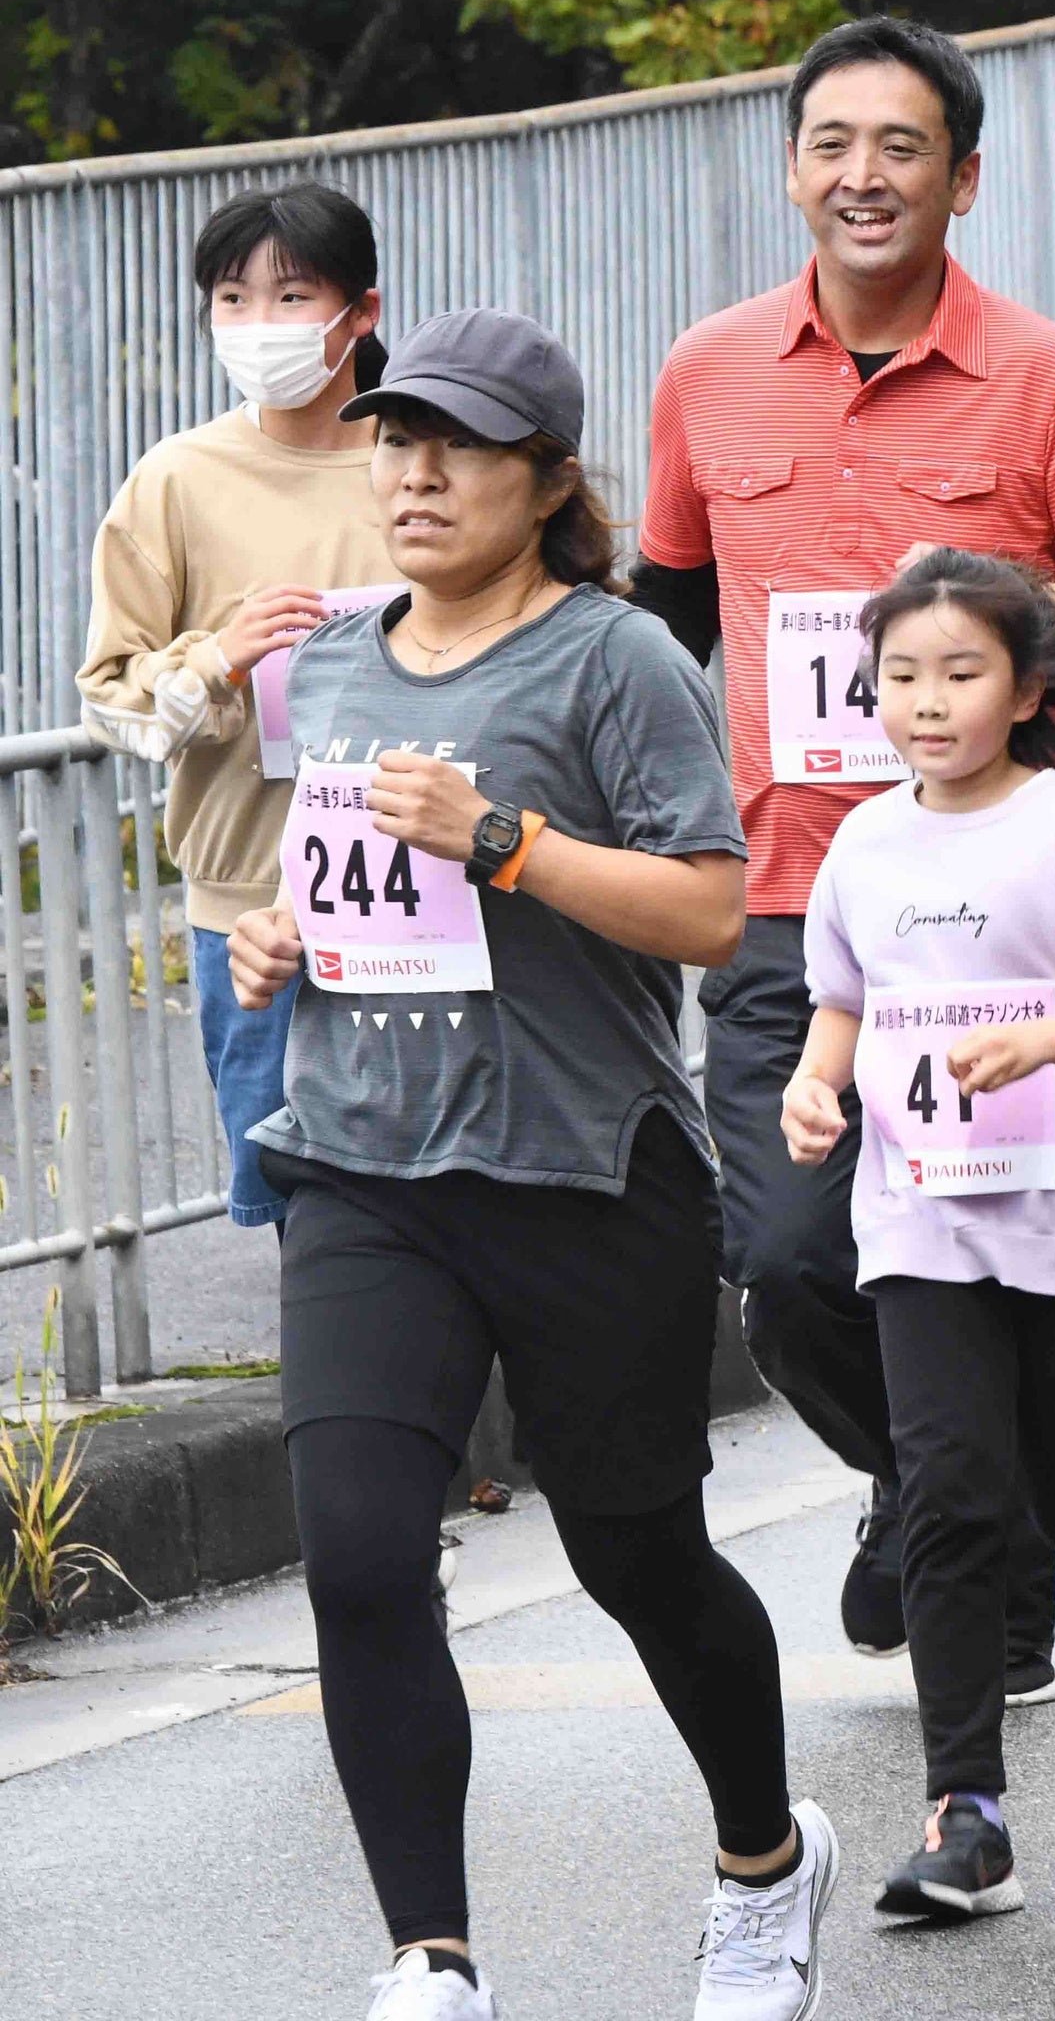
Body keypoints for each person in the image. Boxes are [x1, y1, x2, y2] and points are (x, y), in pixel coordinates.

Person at [228, 309, 834, 2021]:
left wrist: (507, 840)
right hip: (363, 1167)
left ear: (548, 477)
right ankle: (433, 1958)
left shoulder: (616, 659)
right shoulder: (336, 659)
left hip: (581, 1173)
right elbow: (358, 888)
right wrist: (285, 934)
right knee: (356, 1553)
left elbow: (717, 914)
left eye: (461, 445)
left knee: (637, 1559)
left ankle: (765, 1865)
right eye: (395, 437)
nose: (415, 471)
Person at [635, 17, 1055, 1692]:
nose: (862, 175)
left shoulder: (1042, 373)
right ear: (793, 167)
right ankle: (943, 1488)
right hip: (790, 910)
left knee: (980, 1267)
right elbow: (663, 619)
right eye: (831, 143)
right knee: (799, 1269)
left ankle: (981, 1561)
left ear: (963, 179)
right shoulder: (708, 369)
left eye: (900, 148)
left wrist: (998, 637)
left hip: (995, 928)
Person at [776, 551, 1055, 1928]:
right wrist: (813, 1085)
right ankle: (965, 1815)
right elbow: (843, 1004)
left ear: (1026, 687)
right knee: (952, 1494)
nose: (927, 703)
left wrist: (1049, 1036)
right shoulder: (864, 842)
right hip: (920, 1220)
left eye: (960, 674)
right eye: (901, 677)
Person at [78, 185, 401, 1236]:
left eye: (292, 295)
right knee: (306, 1226)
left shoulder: (428, 462)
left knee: (443, 1206)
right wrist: (215, 660)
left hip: (427, 899)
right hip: (246, 914)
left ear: (362, 312)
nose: (258, 325)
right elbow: (110, 707)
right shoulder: (177, 480)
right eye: (231, 298)